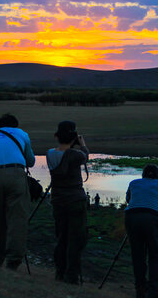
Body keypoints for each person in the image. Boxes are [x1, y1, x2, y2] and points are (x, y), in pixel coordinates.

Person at [0, 113, 35, 270]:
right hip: (15, 176)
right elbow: (30, 161)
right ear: (15, 126)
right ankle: (13, 261)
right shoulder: (22, 134)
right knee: (17, 220)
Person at [46, 120, 89, 284]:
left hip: (57, 200)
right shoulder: (75, 155)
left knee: (61, 237)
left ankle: (59, 272)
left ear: (57, 136)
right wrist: (82, 144)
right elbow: (85, 156)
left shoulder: (50, 154)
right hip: (75, 200)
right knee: (76, 239)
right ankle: (71, 276)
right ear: (73, 138)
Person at [125, 164, 158, 298]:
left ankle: (140, 289)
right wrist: (157, 199)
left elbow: (128, 200)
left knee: (138, 255)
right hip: (153, 219)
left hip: (132, 217)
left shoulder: (133, 183)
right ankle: (154, 292)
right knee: (155, 255)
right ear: (157, 175)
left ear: (143, 174)